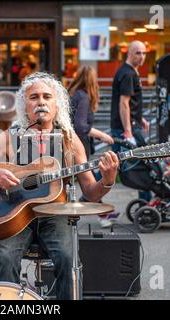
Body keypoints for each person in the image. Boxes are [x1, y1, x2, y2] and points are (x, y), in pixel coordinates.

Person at [0, 72, 119, 300]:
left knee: (67, 257)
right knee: (5, 258)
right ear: (24, 106)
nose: (41, 101)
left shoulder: (69, 140)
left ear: (57, 105)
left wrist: (108, 180)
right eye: (34, 97)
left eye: (47, 96)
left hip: (56, 215)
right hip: (13, 215)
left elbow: (91, 192)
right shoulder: (8, 138)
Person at [68, 66, 117, 227]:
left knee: (89, 179)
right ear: (91, 80)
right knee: (90, 179)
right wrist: (102, 135)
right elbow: (81, 126)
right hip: (79, 144)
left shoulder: (75, 94)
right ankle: (103, 213)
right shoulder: (83, 97)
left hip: (74, 144)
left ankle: (92, 205)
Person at [110, 40, 151, 201]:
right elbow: (124, 103)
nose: (142, 57)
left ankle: (145, 204)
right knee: (143, 165)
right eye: (138, 53)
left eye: (144, 53)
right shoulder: (128, 74)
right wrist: (128, 129)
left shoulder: (130, 71)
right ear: (129, 53)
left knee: (112, 163)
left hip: (130, 125)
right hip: (127, 129)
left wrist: (140, 118)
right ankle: (146, 204)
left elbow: (132, 103)